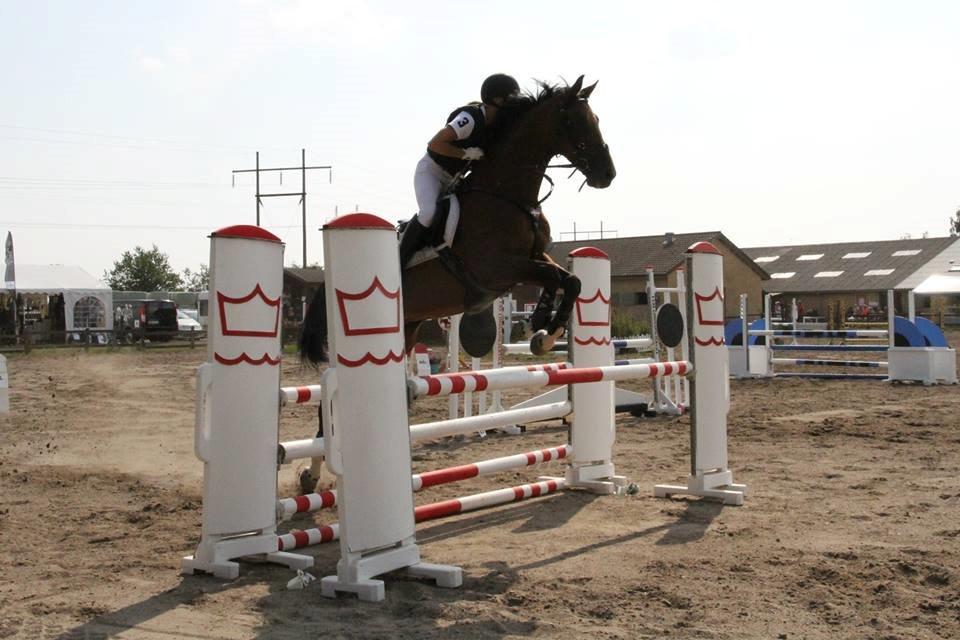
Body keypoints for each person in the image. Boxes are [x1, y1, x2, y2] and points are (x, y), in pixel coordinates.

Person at [398, 73, 521, 268]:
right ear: (497, 100)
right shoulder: (470, 118)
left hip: (454, 180)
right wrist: (465, 154)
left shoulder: (494, 128)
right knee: (428, 213)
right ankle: (398, 261)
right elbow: (435, 144)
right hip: (431, 172)